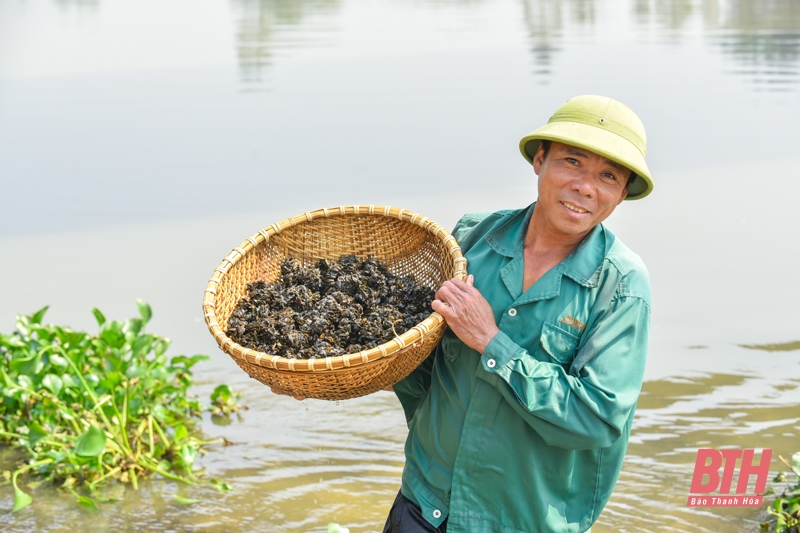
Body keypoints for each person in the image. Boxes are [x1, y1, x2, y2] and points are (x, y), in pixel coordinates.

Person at [383, 95, 654, 533]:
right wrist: (329, 376)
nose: (586, 187)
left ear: (622, 195)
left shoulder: (621, 286)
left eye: (608, 176)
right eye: (571, 162)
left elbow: (597, 420)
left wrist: (492, 343)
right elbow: (417, 355)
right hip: (423, 503)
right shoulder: (472, 238)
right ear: (539, 161)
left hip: (520, 520)